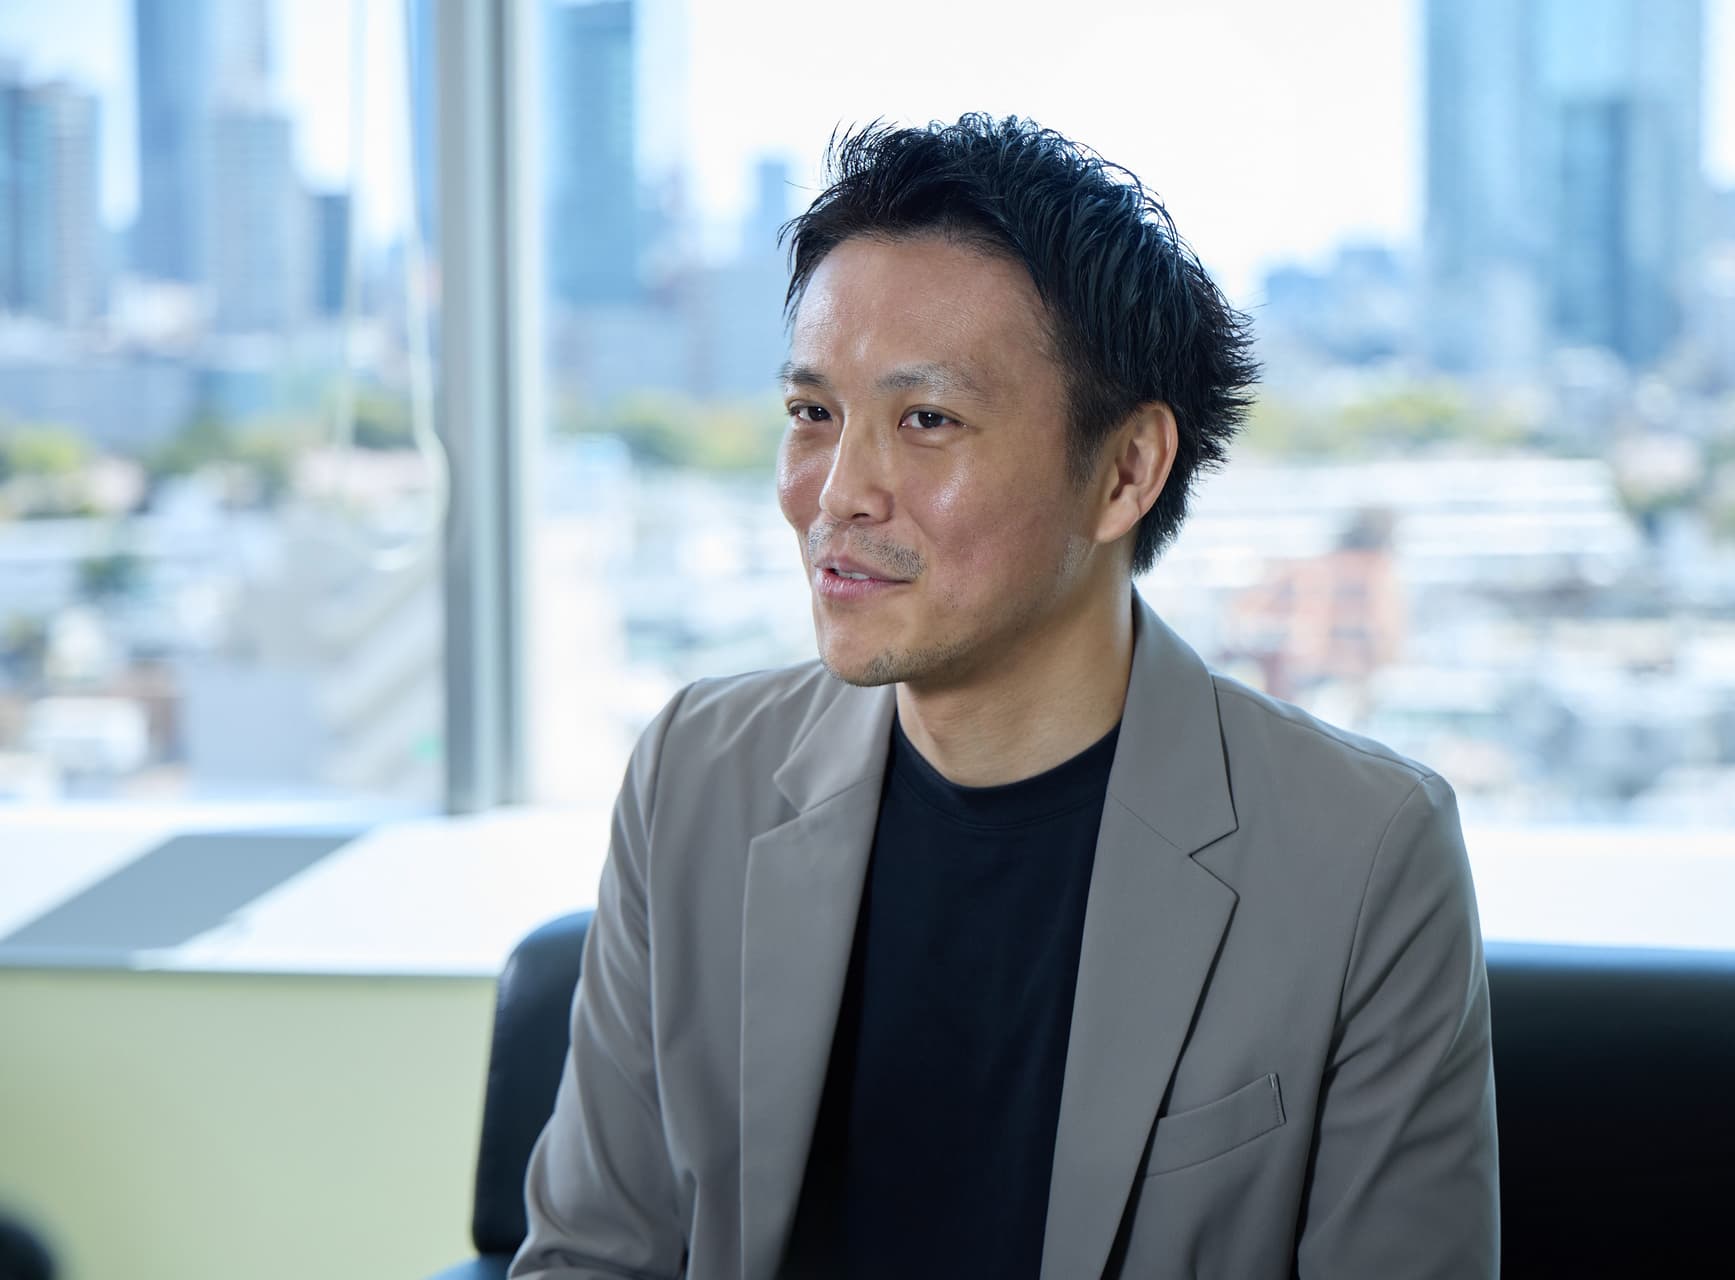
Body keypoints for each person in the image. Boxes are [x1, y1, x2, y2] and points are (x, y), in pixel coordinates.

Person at [512, 114, 1498, 1280]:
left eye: (925, 421)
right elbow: (590, 1255)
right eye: (811, 413)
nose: (835, 495)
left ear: (1126, 470)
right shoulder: (696, 770)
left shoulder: (1361, 851)